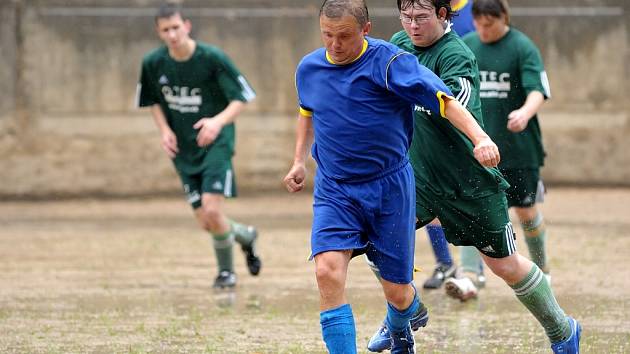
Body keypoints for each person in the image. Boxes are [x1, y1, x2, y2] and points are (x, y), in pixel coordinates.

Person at [283, 0, 500, 351]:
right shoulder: (309, 68)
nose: (334, 45)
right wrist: (298, 161)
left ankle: (406, 315)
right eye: (327, 35)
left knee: (397, 291)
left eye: (344, 37)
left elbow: (444, 100)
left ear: (366, 31)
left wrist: (481, 138)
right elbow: (307, 113)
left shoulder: (390, 63)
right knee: (327, 270)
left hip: (389, 188)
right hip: (335, 188)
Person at [365, 1, 581, 353]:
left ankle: (562, 330)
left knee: (504, 265)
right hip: (418, 178)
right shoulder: (398, 45)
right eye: (406, 17)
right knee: (374, 237)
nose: (412, 26)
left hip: (469, 181)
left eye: (421, 17)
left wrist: (480, 138)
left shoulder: (456, 54)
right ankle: (402, 319)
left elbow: (452, 100)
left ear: (443, 15)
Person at [136, 2, 261, 289]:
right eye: (166, 30)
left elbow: (241, 97)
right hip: (183, 149)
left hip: (216, 144)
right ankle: (245, 235)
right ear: (159, 32)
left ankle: (226, 273)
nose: (172, 34)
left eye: (176, 27)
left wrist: (216, 122)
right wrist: (165, 130)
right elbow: (152, 100)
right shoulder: (153, 63)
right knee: (206, 220)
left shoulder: (212, 58)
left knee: (212, 210)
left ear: (187, 26)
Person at [454, 0, 554, 300]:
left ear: (503, 18)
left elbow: (539, 89)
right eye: (479, 24)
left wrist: (524, 112)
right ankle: (470, 277)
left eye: (490, 24)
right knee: (474, 212)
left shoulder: (522, 46)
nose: (483, 30)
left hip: (519, 150)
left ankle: (542, 269)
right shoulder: (467, 45)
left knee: (525, 211)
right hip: (478, 151)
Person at [419, 0, 478, 291]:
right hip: (429, 113)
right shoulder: (419, 13)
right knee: (429, 197)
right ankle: (445, 263)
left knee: (469, 195)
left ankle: (472, 271)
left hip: (466, 105)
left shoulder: (476, 9)